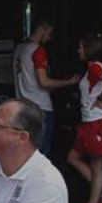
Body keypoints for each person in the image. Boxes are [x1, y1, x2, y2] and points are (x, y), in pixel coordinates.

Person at [66, 33, 102, 203]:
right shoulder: (94, 67)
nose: (78, 50)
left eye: (80, 47)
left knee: (96, 164)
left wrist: (101, 98)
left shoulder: (94, 67)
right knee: (76, 158)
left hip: (96, 121)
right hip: (91, 121)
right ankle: (101, 193)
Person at [13, 20, 80, 156]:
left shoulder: (18, 50)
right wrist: (69, 82)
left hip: (22, 105)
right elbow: (43, 82)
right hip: (41, 107)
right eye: (49, 33)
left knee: (26, 152)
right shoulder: (38, 50)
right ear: (42, 29)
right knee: (41, 153)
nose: (50, 38)